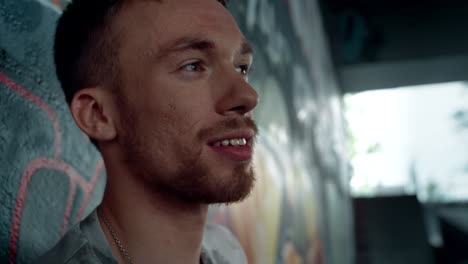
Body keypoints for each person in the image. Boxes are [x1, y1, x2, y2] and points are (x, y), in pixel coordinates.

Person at [35, 0, 259, 263]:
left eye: (241, 67)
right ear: (98, 114)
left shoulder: (227, 252)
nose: (248, 96)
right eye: (192, 66)